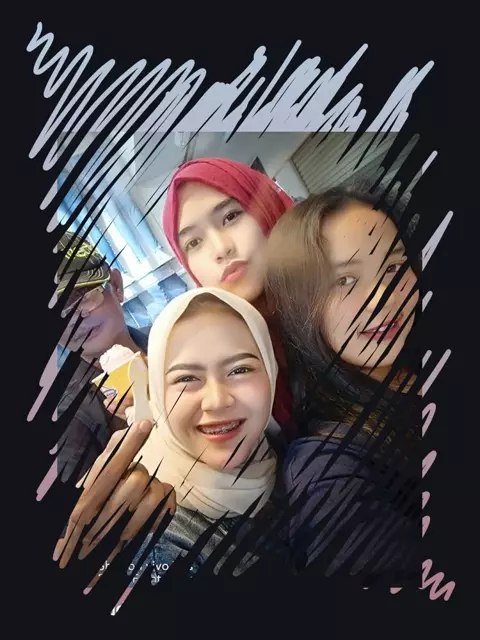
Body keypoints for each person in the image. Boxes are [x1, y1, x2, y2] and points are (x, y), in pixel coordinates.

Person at [56, 288, 289, 583]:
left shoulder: (289, 457)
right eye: (186, 378)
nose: (217, 401)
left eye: (240, 369)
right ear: (158, 393)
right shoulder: (155, 522)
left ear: (270, 370)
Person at [264, 184, 422, 584]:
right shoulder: (326, 468)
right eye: (345, 280)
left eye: (394, 268)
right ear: (299, 304)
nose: (383, 298)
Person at [55, 231, 149, 482]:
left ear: (116, 286)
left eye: (83, 295)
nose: (74, 319)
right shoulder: (69, 417)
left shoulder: (174, 341)